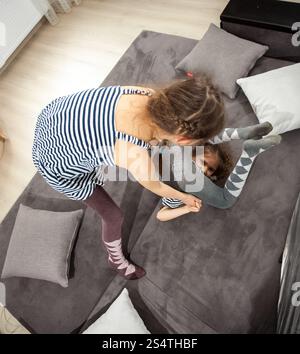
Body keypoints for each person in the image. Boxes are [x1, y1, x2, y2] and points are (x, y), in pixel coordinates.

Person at [31, 73, 225, 280]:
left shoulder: (147, 93)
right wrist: (185, 198)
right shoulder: (134, 153)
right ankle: (115, 260)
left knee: (112, 152)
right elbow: (156, 186)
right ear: (184, 139)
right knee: (114, 216)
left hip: (56, 115)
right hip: (56, 163)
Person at [156, 122, 281, 221]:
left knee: (224, 199)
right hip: (171, 147)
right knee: (225, 200)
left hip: (169, 151)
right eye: (204, 163)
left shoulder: (192, 190)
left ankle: (247, 146)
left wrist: (185, 206)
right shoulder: (183, 152)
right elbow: (160, 216)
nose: (205, 169)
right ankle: (245, 144)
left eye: (210, 170)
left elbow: (161, 214)